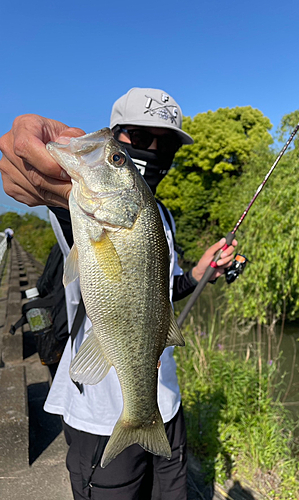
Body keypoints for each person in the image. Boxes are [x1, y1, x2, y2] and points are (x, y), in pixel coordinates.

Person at [0, 88, 237, 500]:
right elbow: (53, 193)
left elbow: (162, 294)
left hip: (165, 401)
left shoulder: (158, 213)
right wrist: (39, 163)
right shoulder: (82, 206)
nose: (155, 149)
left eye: (166, 143)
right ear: (116, 133)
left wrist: (200, 273)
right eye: (138, 140)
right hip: (99, 418)